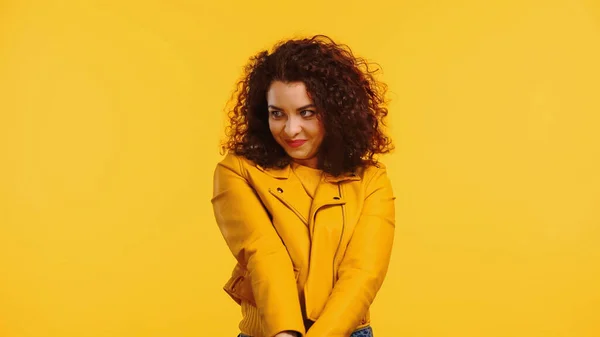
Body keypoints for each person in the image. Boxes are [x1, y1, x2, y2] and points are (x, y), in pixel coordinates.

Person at [211, 35, 396, 337]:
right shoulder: (238, 170)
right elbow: (264, 254)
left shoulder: (371, 179)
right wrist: (286, 333)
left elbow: (363, 272)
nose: (290, 129)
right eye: (277, 114)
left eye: (307, 112)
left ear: (336, 113)